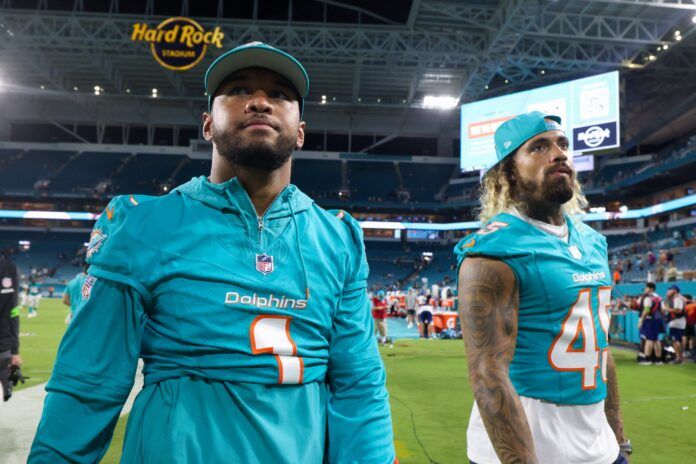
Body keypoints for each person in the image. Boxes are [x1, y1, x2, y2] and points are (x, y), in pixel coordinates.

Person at [30, 42, 395, 464]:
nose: (259, 101)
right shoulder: (141, 226)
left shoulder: (337, 239)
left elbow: (358, 386)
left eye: (279, 94)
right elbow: (88, 384)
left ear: (300, 131)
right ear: (207, 124)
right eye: (238, 90)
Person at [455, 112, 629, 464]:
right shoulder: (494, 251)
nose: (560, 153)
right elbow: (488, 371)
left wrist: (618, 435)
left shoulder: (593, 243)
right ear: (508, 172)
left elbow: (601, 349)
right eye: (539, 147)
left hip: (599, 446)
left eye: (563, 144)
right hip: (530, 446)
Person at [0, 249, 21, 401]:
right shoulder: (9, 268)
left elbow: (13, 312)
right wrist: (14, 350)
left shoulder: (10, 269)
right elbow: (13, 313)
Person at [638, 282, 663, 365]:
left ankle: (647, 359)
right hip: (657, 320)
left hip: (649, 320)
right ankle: (658, 360)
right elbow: (663, 310)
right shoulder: (659, 297)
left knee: (649, 340)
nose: (645, 289)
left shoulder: (648, 298)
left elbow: (647, 310)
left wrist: (641, 320)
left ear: (651, 289)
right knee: (656, 340)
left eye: (646, 288)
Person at [663, 285, 687, 364]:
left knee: (675, 340)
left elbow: (678, 310)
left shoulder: (677, 299)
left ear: (674, 291)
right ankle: (680, 357)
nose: (668, 291)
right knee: (678, 339)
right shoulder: (677, 298)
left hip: (676, 321)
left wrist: (666, 309)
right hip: (678, 321)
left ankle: (678, 358)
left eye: (670, 290)